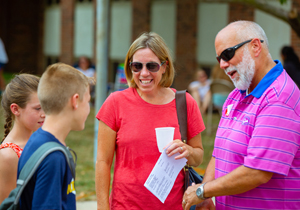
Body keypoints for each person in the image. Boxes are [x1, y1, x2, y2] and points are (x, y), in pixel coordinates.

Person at [182, 21, 300, 210]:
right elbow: (218, 154)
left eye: (227, 54)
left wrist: (203, 191)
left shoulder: (279, 97)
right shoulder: (237, 94)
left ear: (255, 46)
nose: (222, 64)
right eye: (218, 58)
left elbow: (258, 172)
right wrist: (206, 194)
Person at [95, 32, 205, 210]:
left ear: (164, 66)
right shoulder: (115, 102)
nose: (144, 73)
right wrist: (102, 207)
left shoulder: (185, 103)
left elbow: (198, 157)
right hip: (124, 206)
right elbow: (103, 162)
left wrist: (188, 151)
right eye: (137, 66)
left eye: (152, 66)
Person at [17, 63, 93, 209]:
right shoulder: (53, 157)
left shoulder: (36, 140)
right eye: (88, 101)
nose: (89, 109)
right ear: (75, 101)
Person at [0, 74, 44, 204]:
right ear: (15, 109)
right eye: (37, 108)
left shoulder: (40, 141)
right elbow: (7, 206)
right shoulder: (8, 156)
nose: (44, 114)